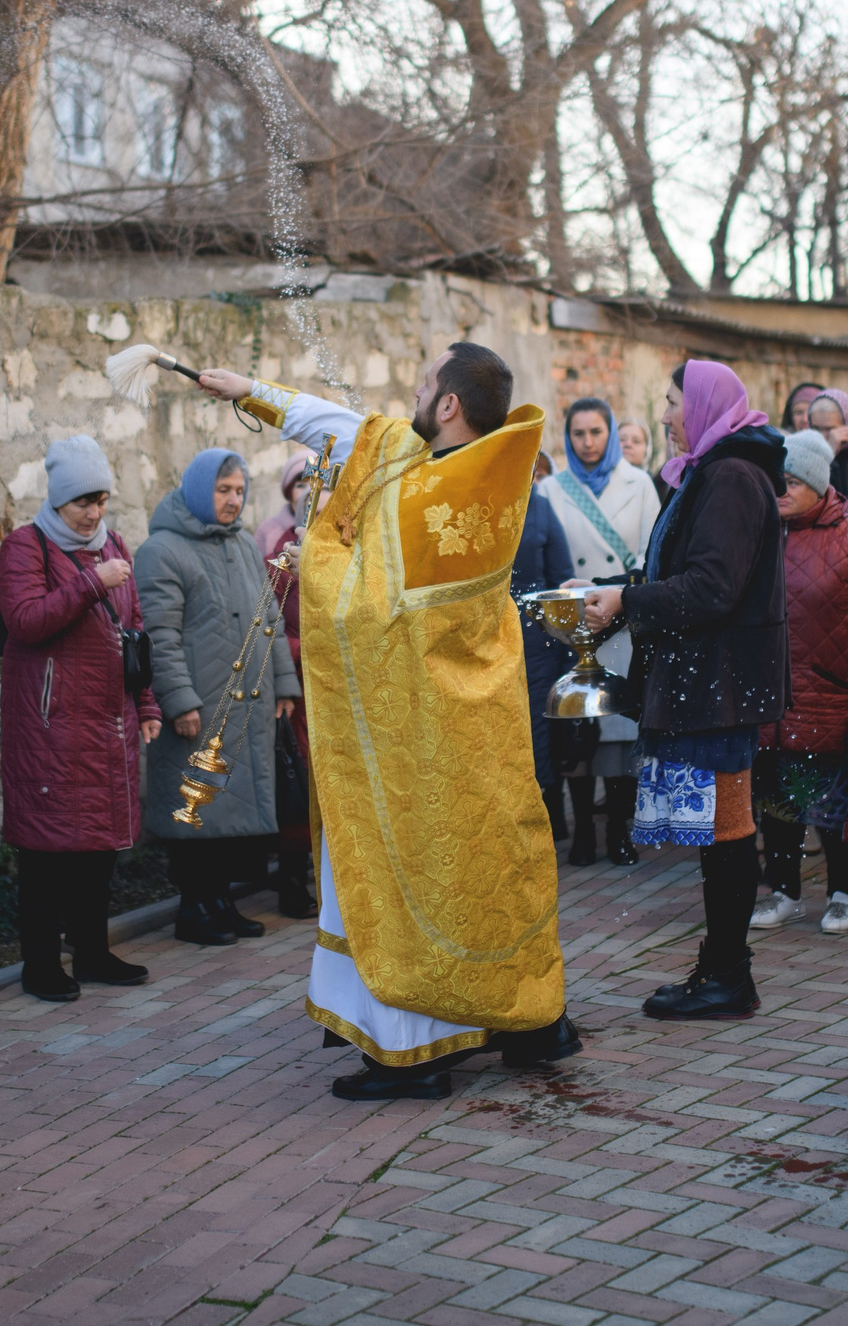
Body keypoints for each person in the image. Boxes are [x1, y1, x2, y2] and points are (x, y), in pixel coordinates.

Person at [197, 344, 578, 1099]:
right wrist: (250, 391)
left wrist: (317, 554)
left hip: (416, 741)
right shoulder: (452, 463)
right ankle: (530, 1022)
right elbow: (346, 427)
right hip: (474, 730)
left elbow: (365, 609)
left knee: (412, 879)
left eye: (424, 379)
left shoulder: (437, 495)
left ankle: (414, 1051)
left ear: (447, 407)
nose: (410, 387)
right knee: (497, 867)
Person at [581, 359, 786, 1019]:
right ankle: (724, 967)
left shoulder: (730, 475)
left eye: (672, 401)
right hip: (709, 682)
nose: (665, 414)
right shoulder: (714, 470)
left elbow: (713, 586)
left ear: (701, 405)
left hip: (718, 683)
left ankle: (729, 975)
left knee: (727, 828)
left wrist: (626, 599)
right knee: (719, 829)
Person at [0, 436, 164, 1002]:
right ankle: (40, 964)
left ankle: (92, 952)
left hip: (105, 724)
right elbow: (25, 621)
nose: (93, 514)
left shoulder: (113, 543)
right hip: (48, 728)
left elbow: (133, 629)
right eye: (82, 503)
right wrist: (93, 582)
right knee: (45, 854)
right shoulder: (26, 547)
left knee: (98, 849)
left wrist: (145, 705)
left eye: (101, 500)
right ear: (58, 501)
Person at [139, 448, 303, 947]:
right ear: (197, 489)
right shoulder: (161, 551)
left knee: (227, 810)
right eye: (222, 490)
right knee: (195, 807)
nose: (233, 501)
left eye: (238, 491)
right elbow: (158, 636)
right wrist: (179, 701)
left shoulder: (243, 546)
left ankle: (220, 903)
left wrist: (285, 686)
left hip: (244, 704)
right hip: (199, 706)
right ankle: (194, 908)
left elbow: (269, 617)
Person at [751, 429, 848, 936]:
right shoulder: (760, 533)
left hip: (833, 696)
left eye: (791, 482)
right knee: (779, 803)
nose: (781, 491)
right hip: (774, 699)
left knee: (837, 808)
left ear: (818, 484)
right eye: (778, 481)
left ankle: (842, 894)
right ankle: (784, 891)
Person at [539, 397, 658, 866]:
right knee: (578, 728)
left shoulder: (640, 484)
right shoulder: (552, 490)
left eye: (596, 432)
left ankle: (619, 831)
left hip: (624, 621)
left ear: (610, 434)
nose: (588, 443)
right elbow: (552, 566)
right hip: (574, 627)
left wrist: (621, 604)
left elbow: (650, 558)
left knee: (618, 733)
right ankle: (585, 827)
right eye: (578, 434)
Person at [255, 451, 321, 917]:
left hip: (335, 682)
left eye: (315, 484)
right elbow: (269, 622)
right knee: (300, 777)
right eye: (300, 484)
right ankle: (293, 880)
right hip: (297, 683)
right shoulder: (279, 549)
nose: (307, 493)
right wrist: (303, 653)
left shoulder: (338, 542)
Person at [512, 464, 587, 843]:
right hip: (487, 634)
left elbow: (561, 579)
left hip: (536, 638)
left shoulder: (539, 507)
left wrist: (567, 649)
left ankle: (549, 820)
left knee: (539, 727)